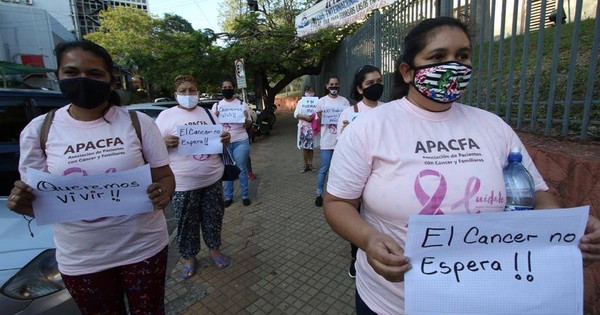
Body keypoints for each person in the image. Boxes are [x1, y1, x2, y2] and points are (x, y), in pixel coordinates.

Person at [322, 17, 600, 314]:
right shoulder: (369, 128)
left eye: (463, 56)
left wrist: (564, 232)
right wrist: (368, 239)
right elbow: (337, 203)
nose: (453, 66)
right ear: (407, 71)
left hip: (486, 298)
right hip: (391, 303)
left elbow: (538, 195)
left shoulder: (493, 127)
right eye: (438, 57)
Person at [6, 40, 175, 315]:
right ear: (58, 76)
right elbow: (38, 203)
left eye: (95, 74)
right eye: (72, 72)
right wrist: (21, 202)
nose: (82, 80)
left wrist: (164, 193)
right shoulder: (38, 130)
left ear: (110, 81)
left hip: (144, 248)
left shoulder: (139, 123)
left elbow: (165, 175)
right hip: (82, 259)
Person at [155, 75, 232, 279]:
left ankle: (214, 250)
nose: (188, 94)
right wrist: (162, 142)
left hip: (212, 179)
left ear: (197, 92)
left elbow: (221, 139)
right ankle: (189, 257)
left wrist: (226, 138)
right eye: (183, 91)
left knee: (214, 218)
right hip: (182, 184)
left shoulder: (208, 113)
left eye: (192, 90)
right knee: (186, 223)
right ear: (176, 94)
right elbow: (151, 148)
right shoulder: (165, 117)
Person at [336, 65, 385, 279]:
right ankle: (356, 258)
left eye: (379, 81)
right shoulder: (349, 113)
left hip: (382, 176)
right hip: (357, 177)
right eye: (370, 83)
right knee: (357, 219)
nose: (376, 86)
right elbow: (342, 146)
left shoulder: (388, 110)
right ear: (359, 88)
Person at [212, 77, 253, 207]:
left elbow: (248, 126)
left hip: (240, 140)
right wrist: (215, 117)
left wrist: (247, 120)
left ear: (233, 88)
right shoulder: (217, 106)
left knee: (241, 169)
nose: (227, 90)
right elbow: (212, 127)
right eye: (224, 88)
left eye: (229, 88)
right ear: (221, 89)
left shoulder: (242, 105)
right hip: (224, 143)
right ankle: (228, 197)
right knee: (227, 169)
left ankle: (245, 195)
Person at [315, 75, 350, 207]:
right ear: (327, 86)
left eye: (336, 84)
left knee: (340, 170)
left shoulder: (345, 102)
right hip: (326, 141)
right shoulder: (321, 102)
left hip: (341, 142)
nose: (334, 87)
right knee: (324, 168)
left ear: (339, 85)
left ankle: (340, 195)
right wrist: (319, 117)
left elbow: (348, 121)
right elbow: (317, 123)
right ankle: (319, 194)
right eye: (331, 84)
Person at [294, 86, 317, 173]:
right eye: (308, 91)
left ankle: (310, 164)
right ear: (305, 92)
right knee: (305, 148)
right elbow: (295, 114)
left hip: (313, 128)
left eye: (311, 91)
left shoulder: (317, 102)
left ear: (314, 92)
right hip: (304, 128)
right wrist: (304, 117)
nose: (309, 92)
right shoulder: (300, 102)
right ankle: (305, 165)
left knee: (311, 148)